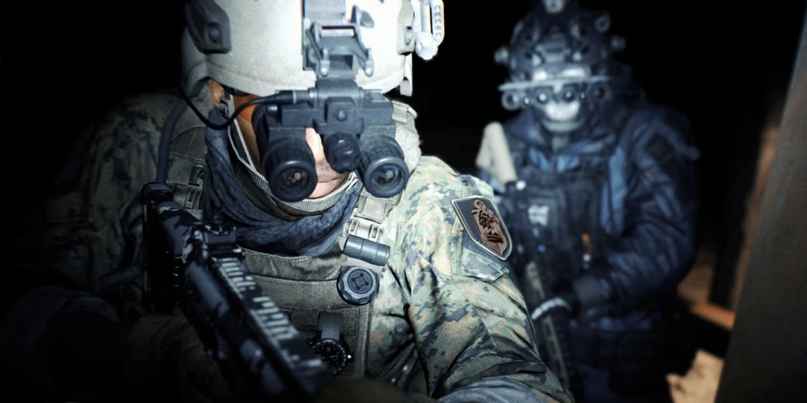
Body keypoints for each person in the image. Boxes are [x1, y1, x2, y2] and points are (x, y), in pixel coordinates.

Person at [0, 1, 575, 402]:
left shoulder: (427, 202)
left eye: (353, 116)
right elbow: (21, 305)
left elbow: (518, 378)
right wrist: (137, 355)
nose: (326, 149)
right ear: (219, 94)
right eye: (286, 118)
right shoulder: (144, 144)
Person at [474, 0, 700, 402]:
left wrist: (583, 293)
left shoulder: (644, 133)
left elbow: (667, 239)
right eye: (542, 81)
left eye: (572, 79)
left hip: (620, 357)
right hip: (533, 347)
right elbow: (484, 231)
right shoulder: (506, 144)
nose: (557, 95)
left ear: (598, 71)